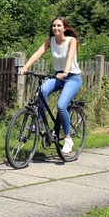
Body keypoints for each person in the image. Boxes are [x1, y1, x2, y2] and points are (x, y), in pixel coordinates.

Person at [18, 16, 83, 154]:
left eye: (59, 26)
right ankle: (40, 122)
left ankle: (67, 138)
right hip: (58, 76)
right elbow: (38, 53)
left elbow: (70, 57)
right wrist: (26, 67)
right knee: (41, 91)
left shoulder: (72, 41)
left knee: (61, 105)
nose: (56, 28)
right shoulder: (51, 41)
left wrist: (65, 72)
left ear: (65, 28)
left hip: (72, 78)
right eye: (54, 26)